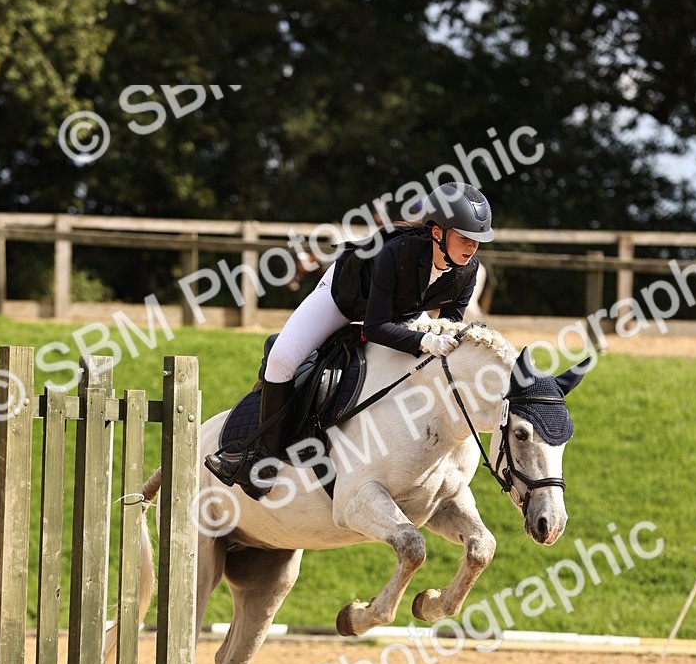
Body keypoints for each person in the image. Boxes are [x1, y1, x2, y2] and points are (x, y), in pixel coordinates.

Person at [206, 181, 494, 495]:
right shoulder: (396, 253)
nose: (471, 247)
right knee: (282, 358)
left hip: (400, 310)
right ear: (437, 232)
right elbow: (375, 327)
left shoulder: (467, 272)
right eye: (465, 237)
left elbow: (448, 329)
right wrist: (424, 342)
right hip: (343, 298)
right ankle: (259, 461)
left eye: (477, 241)